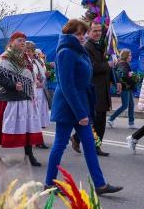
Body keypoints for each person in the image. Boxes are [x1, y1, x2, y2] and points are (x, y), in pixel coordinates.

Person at [44, 20, 123, 195]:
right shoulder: (66, 52)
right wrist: (81, 113)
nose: (81, 37)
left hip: (80, 103)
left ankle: (100, 184)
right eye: (78, 34)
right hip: (68, 106)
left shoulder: (78, 51)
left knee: (89, 144)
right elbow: (67, 86)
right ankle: (49, 183)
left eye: (83, 33)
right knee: (59, 144)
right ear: (68, 34)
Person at [0, 32, 43, 166]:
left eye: (24, 41)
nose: (23, 43)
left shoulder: (26, 58)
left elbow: (30, 75)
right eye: (20, 40)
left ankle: (29, 154)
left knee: (28, 126)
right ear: (12, 42)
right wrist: (13, 85)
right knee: (0, 126)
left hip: (26, 96)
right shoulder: (4, 58)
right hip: (10, 97)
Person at [71, 22, 121, 156]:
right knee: (95, 119)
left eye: (99, 30)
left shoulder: (102, 45)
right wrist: (107, 65)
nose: (98, 33)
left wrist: (116, 81)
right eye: (95, 31)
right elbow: (91, 67)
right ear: (89, 32)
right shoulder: (87, 47)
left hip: (103, 87)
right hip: (94, 88)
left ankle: (90, 143)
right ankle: (83, 141)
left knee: (101, 119)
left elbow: (108, 64)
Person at [25, 41, 50, 149]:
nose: (27, 53)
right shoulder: (23, 62)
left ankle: (37, 139)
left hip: (40, 92)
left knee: (38, 117)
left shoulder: (36, 61)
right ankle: (35, 140)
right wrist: (36, 82)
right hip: (31, 92)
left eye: (29, 51)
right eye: (25, 51)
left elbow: (41, 74)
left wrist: (45, 76)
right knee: (33, 117)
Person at [107, 49, 138, 129]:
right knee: (125, 105)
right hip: (125, 87)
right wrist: (132, 78)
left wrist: (132, 76)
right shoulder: (123, 64)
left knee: (131, 105)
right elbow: (124, 75)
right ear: (126, 56)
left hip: (127, 87)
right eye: (130, 55)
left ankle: (131, 123)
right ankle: (110, 119)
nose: (131, 56)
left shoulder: (124, 63)